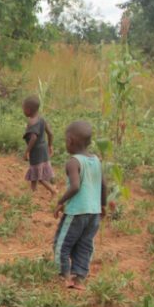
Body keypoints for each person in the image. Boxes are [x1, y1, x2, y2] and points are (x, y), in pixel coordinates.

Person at [53, 121, 107, 291]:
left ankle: (65, 275)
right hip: (94, 213)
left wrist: (60, 201)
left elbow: (75, 186)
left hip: (77, 213)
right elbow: (104, 185)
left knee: (61, 244)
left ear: (70, 140)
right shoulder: (96, 160)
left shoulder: (73, 162)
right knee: (85, 244)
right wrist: (103, 205)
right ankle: (79, 278)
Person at [22, 96, 56, 196]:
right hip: (43, 148)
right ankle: (33, 191)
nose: (23, 110)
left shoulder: (32, 122)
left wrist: (27, 151)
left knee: (38, 176)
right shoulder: (42, 119)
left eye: (23, 108)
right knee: (35, 170)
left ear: (28, 110)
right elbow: (50, 134)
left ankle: (52, 190)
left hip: (36, 151)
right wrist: (50, 146)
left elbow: (33, 138)